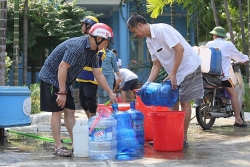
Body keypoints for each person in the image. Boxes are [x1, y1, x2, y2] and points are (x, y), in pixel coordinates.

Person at [38, 23, 117, 157]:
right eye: (106, 42)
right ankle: (58, 145)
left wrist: (110, 92)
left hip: (65, 80)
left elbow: (98, 74)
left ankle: (77, 143)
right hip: (51, 78)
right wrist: (62, 92)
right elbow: (62, 67)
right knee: (57, 111)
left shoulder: (93, 53)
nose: (106, 46)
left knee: (70, 111)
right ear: (98, 39)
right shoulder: (77, 46)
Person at [127, 14, 203, 147]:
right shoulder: (149, 41)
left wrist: (173, 73)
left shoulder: (162, 30)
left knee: (184, 101)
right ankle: (173, 134)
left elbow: (180, 49)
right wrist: (146, 85)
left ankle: (182, 138)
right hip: (175, 72)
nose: (136, 34)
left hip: (188, 67)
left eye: (134, 31)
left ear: (139, 24)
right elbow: (156, 65)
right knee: (172, 101)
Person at [206, 26, 249, 127]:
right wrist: (245, 59)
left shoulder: (209, 44)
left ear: (215, 35)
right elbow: (238, 56)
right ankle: (238, 119)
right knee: (234, 94)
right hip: (222, 76)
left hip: (208, 75)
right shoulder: (227, 44)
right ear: (223, 36)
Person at [76, 16, 101, 118]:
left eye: (84, 25)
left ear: (90, 26)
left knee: (90, 101)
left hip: (90, 78)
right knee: (82, 102)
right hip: (82, 77)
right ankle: (91, 120)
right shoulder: (84, 41)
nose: (82, 27)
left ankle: (93, 124)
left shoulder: (96, 43)